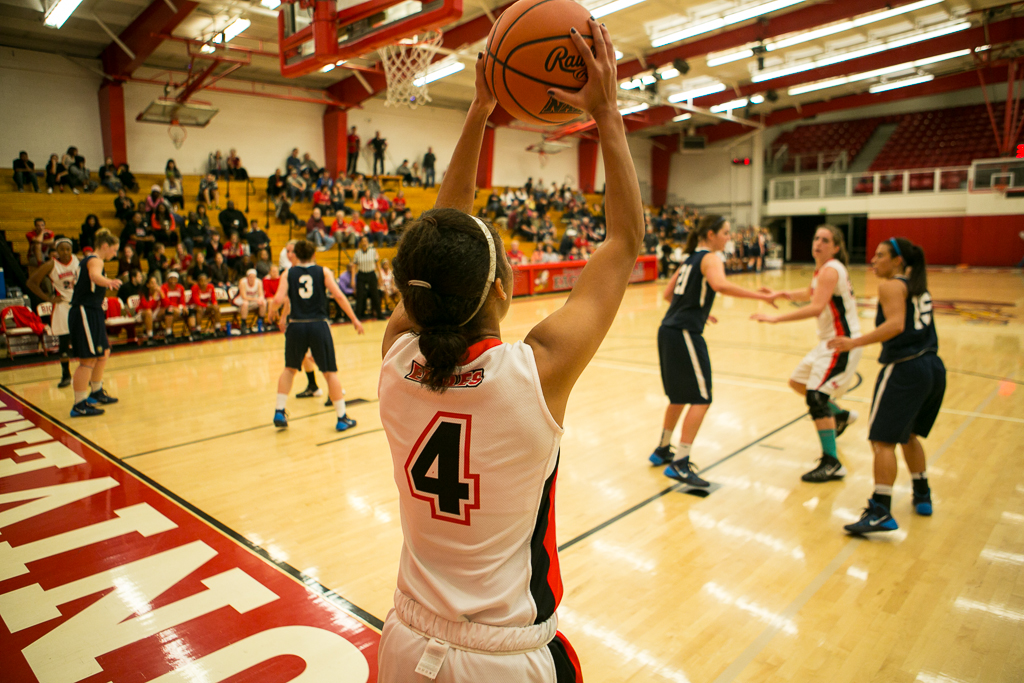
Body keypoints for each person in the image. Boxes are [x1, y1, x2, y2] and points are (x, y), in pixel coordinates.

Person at [376, 23, 637, 681]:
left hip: (405, 643)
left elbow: (439, 239)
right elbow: (623, 244)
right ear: (501, 286)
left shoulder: (394, 361)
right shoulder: (535, 371)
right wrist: (606, 112)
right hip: (504, 657)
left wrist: (481, 108)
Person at [648, 215, 779, 485]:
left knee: (678, 396)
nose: (729, 237)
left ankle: (662, 449)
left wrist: (698, 311)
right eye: (726, 233)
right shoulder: (711, 258)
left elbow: (668, 294)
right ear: (710, 235)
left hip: (669, 330)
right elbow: (720, 285)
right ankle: (680, 462)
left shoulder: (690, 259)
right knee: (702, 398)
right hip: (684, 332)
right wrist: (762, 296)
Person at [829, 238, 945, 535]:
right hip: (932, 367)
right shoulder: (916, 285)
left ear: (897, 261)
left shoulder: (891, 285)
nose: (873, 260)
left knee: (882, 441)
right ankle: (922, 492)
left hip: (905, 368)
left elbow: (894, 325)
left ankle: (881, 509)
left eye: (880, 255)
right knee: (909, 435)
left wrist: (854, 342)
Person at [752, 225, 863, 482]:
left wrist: (775, 319)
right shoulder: (824, 271)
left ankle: (831, 461)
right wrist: (781, 293)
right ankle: (841, 415)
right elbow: (811, 292)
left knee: (816, 397)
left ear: (835, 247)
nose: (818, 243)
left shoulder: (831, 269)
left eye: (825, 240)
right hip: (827, 342)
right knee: (797, 382)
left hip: (840, 342)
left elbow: (815, 307)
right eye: (816, 238)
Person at [268, 239, 364, 429]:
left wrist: (272, 311)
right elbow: (338, 295)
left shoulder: (288, 273)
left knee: (289, 369)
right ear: (313, 254)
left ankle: (279, 411)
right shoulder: (323, 272)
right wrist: (354, 318)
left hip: (296, 326)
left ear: (295, 254)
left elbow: (279, 298)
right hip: (318, 325)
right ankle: (341, 417)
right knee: (330, 372)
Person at [68, 230, 121, 417]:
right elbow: (94, 276)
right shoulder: (95, 260)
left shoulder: (91, 259)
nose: (114, 255)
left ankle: (96, 392)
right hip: (85, 311)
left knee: (103, 352)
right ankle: (79, 404)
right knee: (87, 360)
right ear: (105, 246)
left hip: (93, 311)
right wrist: (109, 282)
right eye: (114, 250)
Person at [27, 237, 78, 387]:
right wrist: (48, 298)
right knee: (64, 343)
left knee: (81, 341)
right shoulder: (51, 264)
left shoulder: (79, 260)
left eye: (68, 249)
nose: (65, 252)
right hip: (62, 306)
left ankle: (85, 373)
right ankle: (65, 375)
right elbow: (31, 282)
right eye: (61, 249)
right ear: (57, 250)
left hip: (77, 305)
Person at [352, 236, 382, 320]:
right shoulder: (357, 253)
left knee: (375, 294)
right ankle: (358, 316)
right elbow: (354, 266)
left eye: (366, 241)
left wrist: (380, 276)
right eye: (363, 241)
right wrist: (352, 279)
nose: (364, 243)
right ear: (360, 243)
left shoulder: (373, 252)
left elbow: (378, 265)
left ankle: (379, 314)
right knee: (360, 295)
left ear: (368, 243)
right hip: (361, 274)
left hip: (371, 274)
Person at [188, 272, 222, 337]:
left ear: (207, 281)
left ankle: (218, 327)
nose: (203, 283)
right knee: (200, 309)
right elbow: (197, 302)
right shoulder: (194, 288)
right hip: (194, 306)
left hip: (205, 306)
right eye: (201, 281)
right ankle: (198, 329)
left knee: (216, 307)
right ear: (198, 282)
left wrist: (214, 305)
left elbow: (213, 299)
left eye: (205, 281)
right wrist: (207, 306)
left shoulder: (211, 286)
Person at [160, 271, 190, 342]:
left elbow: (182, 301)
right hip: (165, 308)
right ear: (168, 279)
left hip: (177, 308)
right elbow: (165, 302)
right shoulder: (164, 287)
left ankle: (193, 331)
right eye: (171, 279)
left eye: (175, 279)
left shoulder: (180, 287)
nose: (173, 280)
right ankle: (169, 333)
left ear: (177, 280)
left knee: (188, 312)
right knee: (170, 312)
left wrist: (183, 307)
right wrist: (175, 307)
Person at [236, 269, 267, 333]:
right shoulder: (242, 282)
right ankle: (243, 324)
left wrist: (260, 299)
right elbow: (244, 297)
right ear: (247, 277)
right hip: (241, 299)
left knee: (263, 302)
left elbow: (261, 294)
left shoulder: (258, 282)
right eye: (250, 277)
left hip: (253, 300)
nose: (252, 279)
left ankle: (260, 322)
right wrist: (256, 299)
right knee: (245, 303)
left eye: (253, 277)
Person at [136, 275, 164, 345]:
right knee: (148, 312)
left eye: (155, 282)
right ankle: (150, 336)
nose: (154, 284)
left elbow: (166, 304)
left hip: (153, 312)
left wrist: (162, 294)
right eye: (152, 283)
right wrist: (154, 297)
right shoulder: (144, 293)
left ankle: (168, 333)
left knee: (168, 309)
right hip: (142, 313)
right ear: (148, 285)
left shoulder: (158, 292)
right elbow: (147, 306)